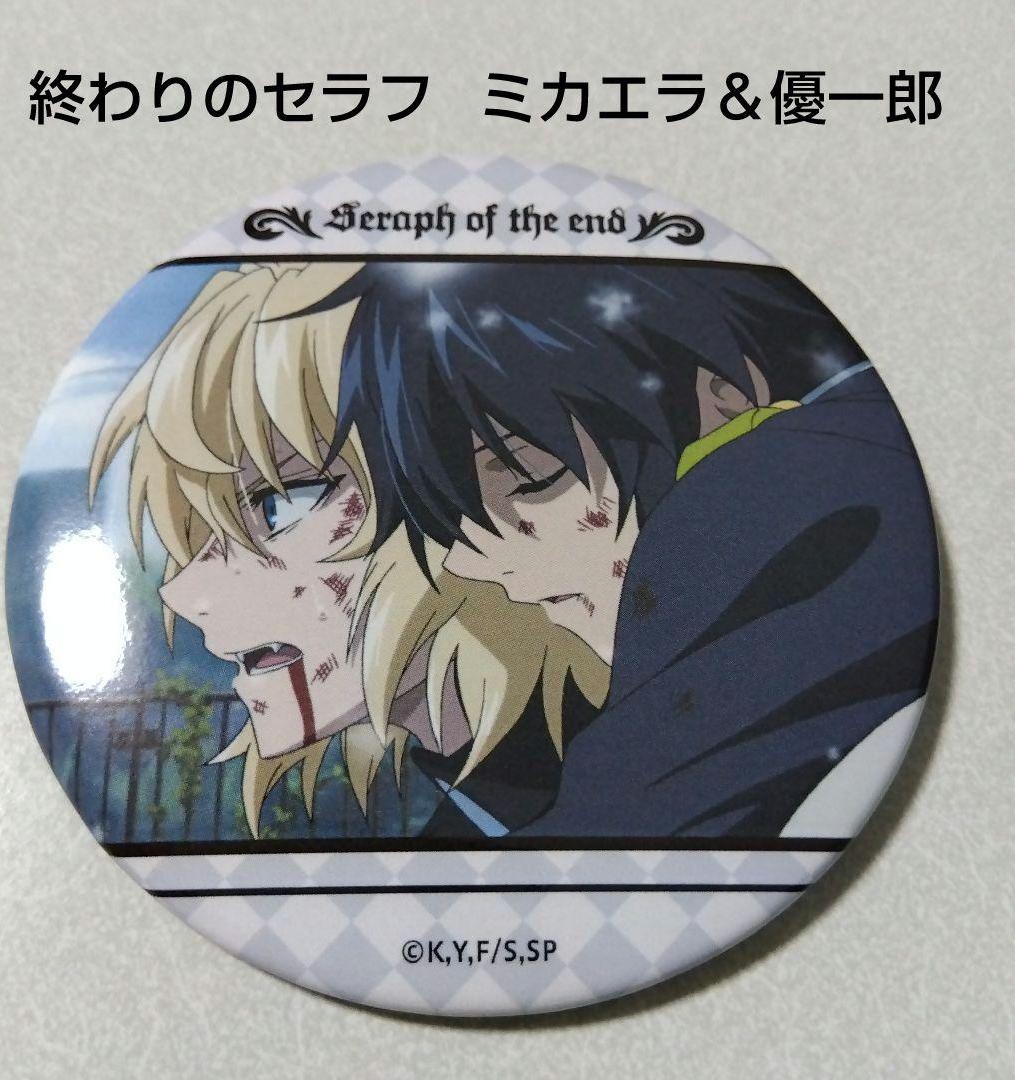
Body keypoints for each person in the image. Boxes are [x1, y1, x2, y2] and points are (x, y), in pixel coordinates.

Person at [301, 258, 938, 837]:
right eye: (453, 520)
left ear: (722, 401)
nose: (470, 564)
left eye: (528, 479)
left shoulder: (814, 553)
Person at [89, 261, 607, 837]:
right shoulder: (482, 829)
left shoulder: (649, 774)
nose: (183, 591)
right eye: (201, 529)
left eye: (279, 505)